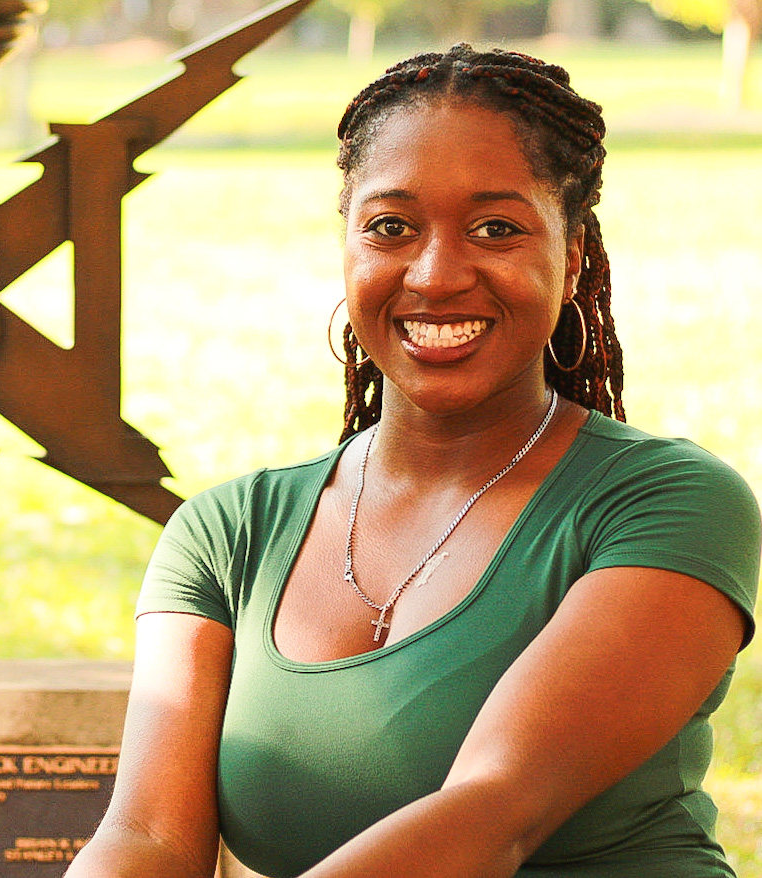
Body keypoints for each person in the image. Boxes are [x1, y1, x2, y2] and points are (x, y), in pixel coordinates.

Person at [65, 44, 761, 878]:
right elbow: (145, 838)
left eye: (495, 229)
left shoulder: (668, 503)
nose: (435, 274)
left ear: (572, 256)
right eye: (391, 227)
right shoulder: (227, 535)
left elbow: (491, 813)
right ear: (348, 245)